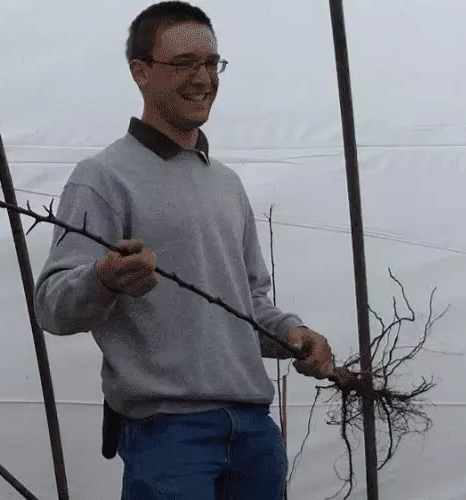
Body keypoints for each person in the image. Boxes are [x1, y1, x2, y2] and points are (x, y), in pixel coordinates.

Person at [33, 2, 336, 498]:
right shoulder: (102, 178)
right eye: (184, 63)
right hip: (168, 434)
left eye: (211, 63)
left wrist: (291, 333)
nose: (203, 78)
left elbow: (248, 302)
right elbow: (51, 307)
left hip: (252, 430)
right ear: (140, 71)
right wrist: (104, 278)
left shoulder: (226, 184)